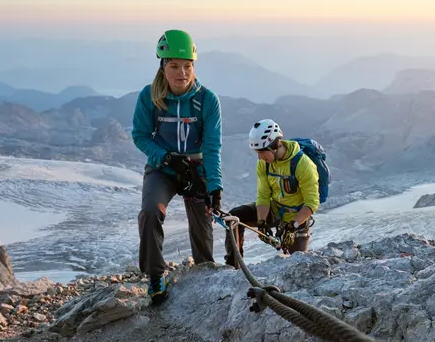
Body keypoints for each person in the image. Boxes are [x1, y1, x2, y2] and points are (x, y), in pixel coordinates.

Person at [131, 29, 222, 305]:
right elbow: (140, 136)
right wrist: (166, 158)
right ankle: (155, 276)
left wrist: (215, 188)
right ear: (162, 67)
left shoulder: (207, 100)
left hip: (196, 169)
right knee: (150, 212)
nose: (182, 73)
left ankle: (205, 273)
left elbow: (212, 147)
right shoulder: (149, 97)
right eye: (174, 66)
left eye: (187, 66)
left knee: (202, 225)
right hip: (163, 168)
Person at [224, 119, 318, 266]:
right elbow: (263, 195)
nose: (259, 157)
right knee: (234, 218)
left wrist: (292, 226)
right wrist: (261, 221)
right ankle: (234, 267)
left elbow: (312, 203)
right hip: (274, 210)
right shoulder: (264, 164)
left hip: (296, 219)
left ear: (274, 146)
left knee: (296, 264)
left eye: (262, 152)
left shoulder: (303, 164)